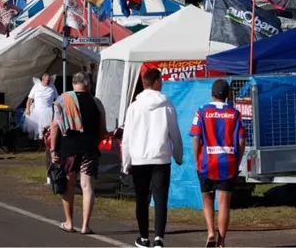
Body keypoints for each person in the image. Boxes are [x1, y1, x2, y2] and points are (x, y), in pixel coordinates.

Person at [122, 68, 183, 248]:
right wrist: (178, 156)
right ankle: (159, 238)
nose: (162, 83)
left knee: (141, 198)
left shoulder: (134, 107)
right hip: (161, 158)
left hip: (140, 158)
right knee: (160, 198)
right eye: (161, 80)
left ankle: (143, 237)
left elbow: (127, 138)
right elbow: (175, 134)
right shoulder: (167, 104)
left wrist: (126, 163)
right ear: (155, 82)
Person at [190, 79, 245, 248]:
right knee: (224, 203)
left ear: (212, 94)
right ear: (228, 95)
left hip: (207, 161)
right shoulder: (235, 114)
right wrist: (237, 161)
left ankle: (210, 232)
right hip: (228, 162)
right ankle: (221, 241)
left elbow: (196, 138)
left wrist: (196, 160)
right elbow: (241, 141)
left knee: (207, 197)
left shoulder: (202, 111)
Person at [50, 72, 107, 235]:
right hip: (89, 148)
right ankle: (85, 226)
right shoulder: (96, 102)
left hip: (69, 148)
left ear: (73, 84)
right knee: (87, 186)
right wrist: (95, 140)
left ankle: (69, 222)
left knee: (68, 184)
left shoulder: (62, 100)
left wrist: (54, 149)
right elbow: (102, 130)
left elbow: (54, 126)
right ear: (87, 83)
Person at [24, 73, 58, 140]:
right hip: (37, 111)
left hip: (49, 110)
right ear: (42, 79)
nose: (48, 82)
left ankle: (48, 143)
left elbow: (57, 98)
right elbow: (29, 99)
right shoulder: (36, 86)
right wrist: (28, 109)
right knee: (38, 128)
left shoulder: (52, 86)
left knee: (49, 128)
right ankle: (39, 143)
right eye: (47, 80)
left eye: (49, 80)